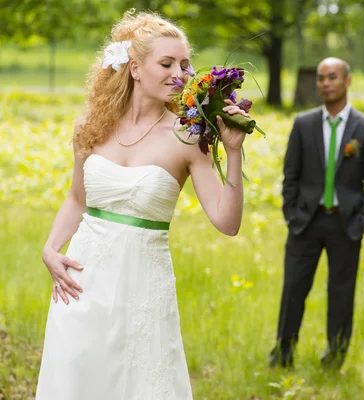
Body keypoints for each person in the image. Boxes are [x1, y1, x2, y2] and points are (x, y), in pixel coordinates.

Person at [36, 11, 250, 399]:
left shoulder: (187, 137)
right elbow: (77, 199)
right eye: (166, 63)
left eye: (185, 64)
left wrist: (232, 152)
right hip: (82, 284)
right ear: (134, 68)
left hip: (143, 291)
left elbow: (227, 222)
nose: (180, 73)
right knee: (76, 379)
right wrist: (50, 249)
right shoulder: (91, 126)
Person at [269, 57, 364, 369]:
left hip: (346, 224)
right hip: (306, 221)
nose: (326, 83)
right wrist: (292, 214)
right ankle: (283, 352)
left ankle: (334, 356)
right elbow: (290, 175)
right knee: (293, 288)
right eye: (321, 78)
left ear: (347, 81)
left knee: (341, 293)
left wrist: (363, 222)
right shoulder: (303, 124)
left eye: (332, 77)